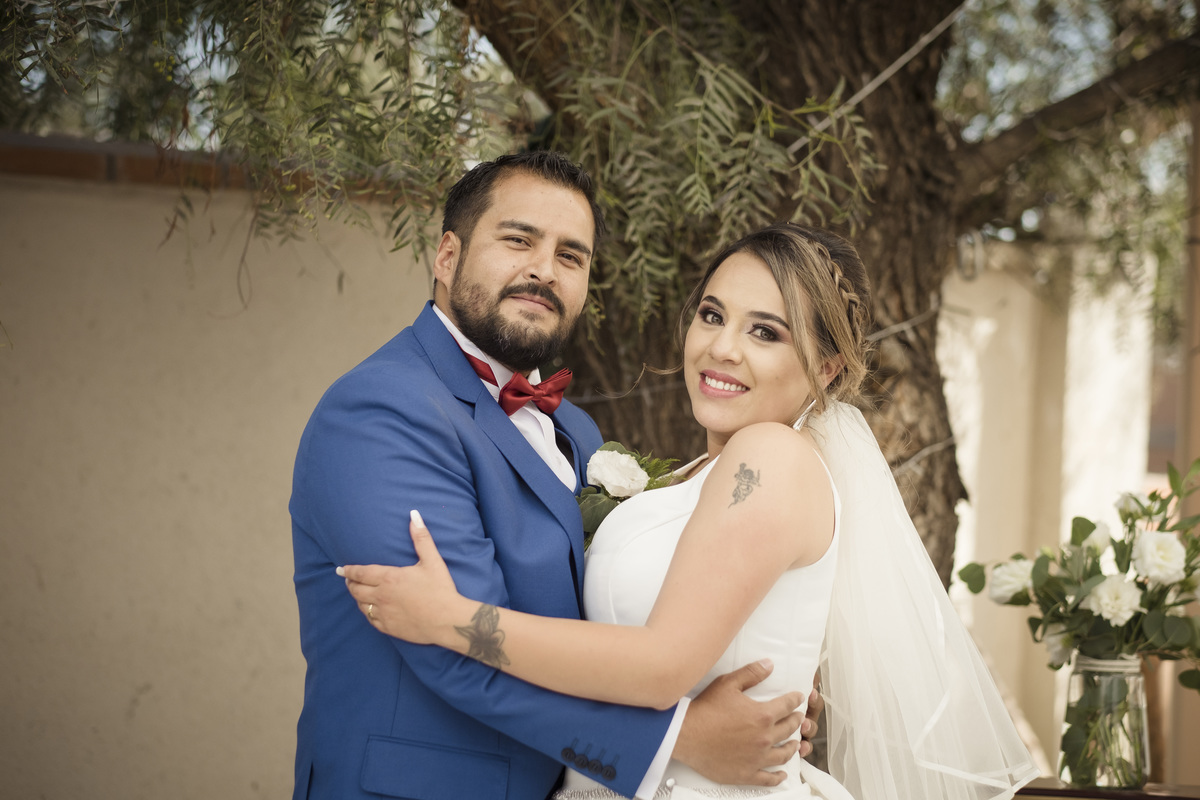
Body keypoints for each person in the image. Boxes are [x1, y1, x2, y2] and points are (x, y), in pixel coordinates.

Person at [340, 224, 1041, 799]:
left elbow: (660, 667)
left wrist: (452, 620)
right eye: (712, 315)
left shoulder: (769, 456)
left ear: (826, 370)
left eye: (767, 333)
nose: (721, 347)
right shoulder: (697, 476)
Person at [289, 152, 819, 800]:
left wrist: (746, 681)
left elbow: (596, 626)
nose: (544, 270)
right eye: (518, 240)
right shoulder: (381, 412)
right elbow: (456, 652)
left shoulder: (575, 430)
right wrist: (682, 736)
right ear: (447, 257)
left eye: (572, 256)